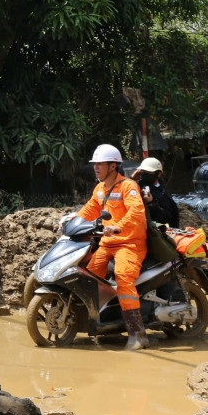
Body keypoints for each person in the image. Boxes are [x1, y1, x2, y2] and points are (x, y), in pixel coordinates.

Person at [77, 144, 150, 351]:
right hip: (108, 243)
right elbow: (90, 209)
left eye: (100, 164)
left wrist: (118, 226)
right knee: (89, 275)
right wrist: (70, 220)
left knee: (123, 276)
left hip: (130, 243)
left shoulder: (128, 186)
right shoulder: (100, 188)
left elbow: (136, 212)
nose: (96, 168)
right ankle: (103, 318)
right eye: (95, 164)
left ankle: (138, 334)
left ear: (113, 166)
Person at [133, 157, 179, 228]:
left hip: (154, 233)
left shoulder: (162, 193)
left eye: (148, 172)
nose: (144, 174)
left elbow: (167, 218)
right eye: (143, 171)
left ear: (158, 174)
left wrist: (151, 203)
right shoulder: (136, 185)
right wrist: (132, 179)